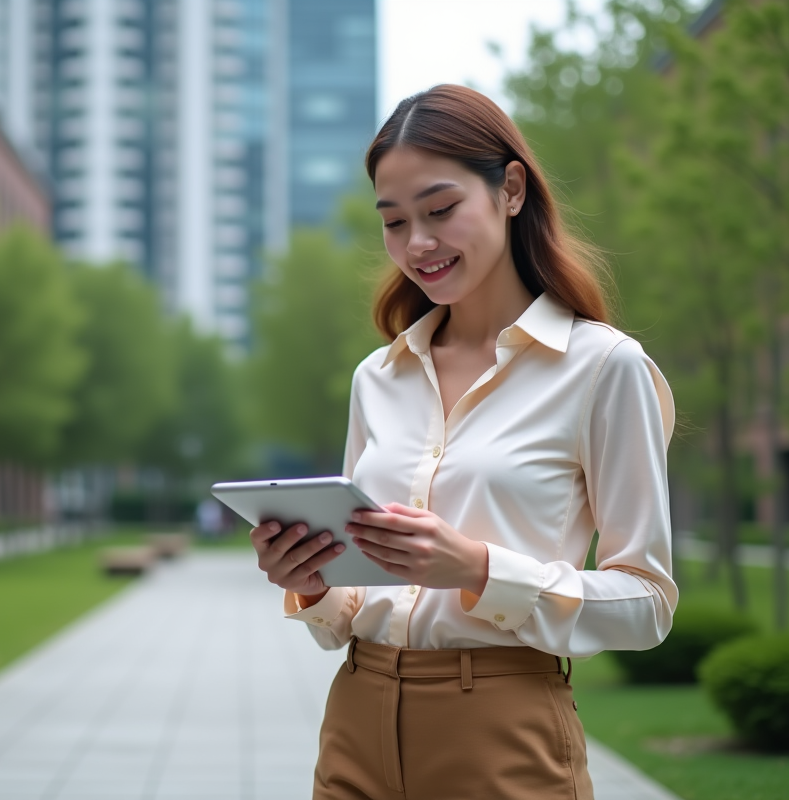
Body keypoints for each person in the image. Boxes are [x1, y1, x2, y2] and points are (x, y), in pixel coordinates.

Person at [249, 84, 677, 800]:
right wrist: (313, 584)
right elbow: (354, 605)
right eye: (394, 222)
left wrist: (477, 567)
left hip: (502, 730)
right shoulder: (377, 377)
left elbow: (648, 605)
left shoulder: (603, 368)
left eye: (441, 210)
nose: (417, 243)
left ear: (511, 189)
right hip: (356, 720)